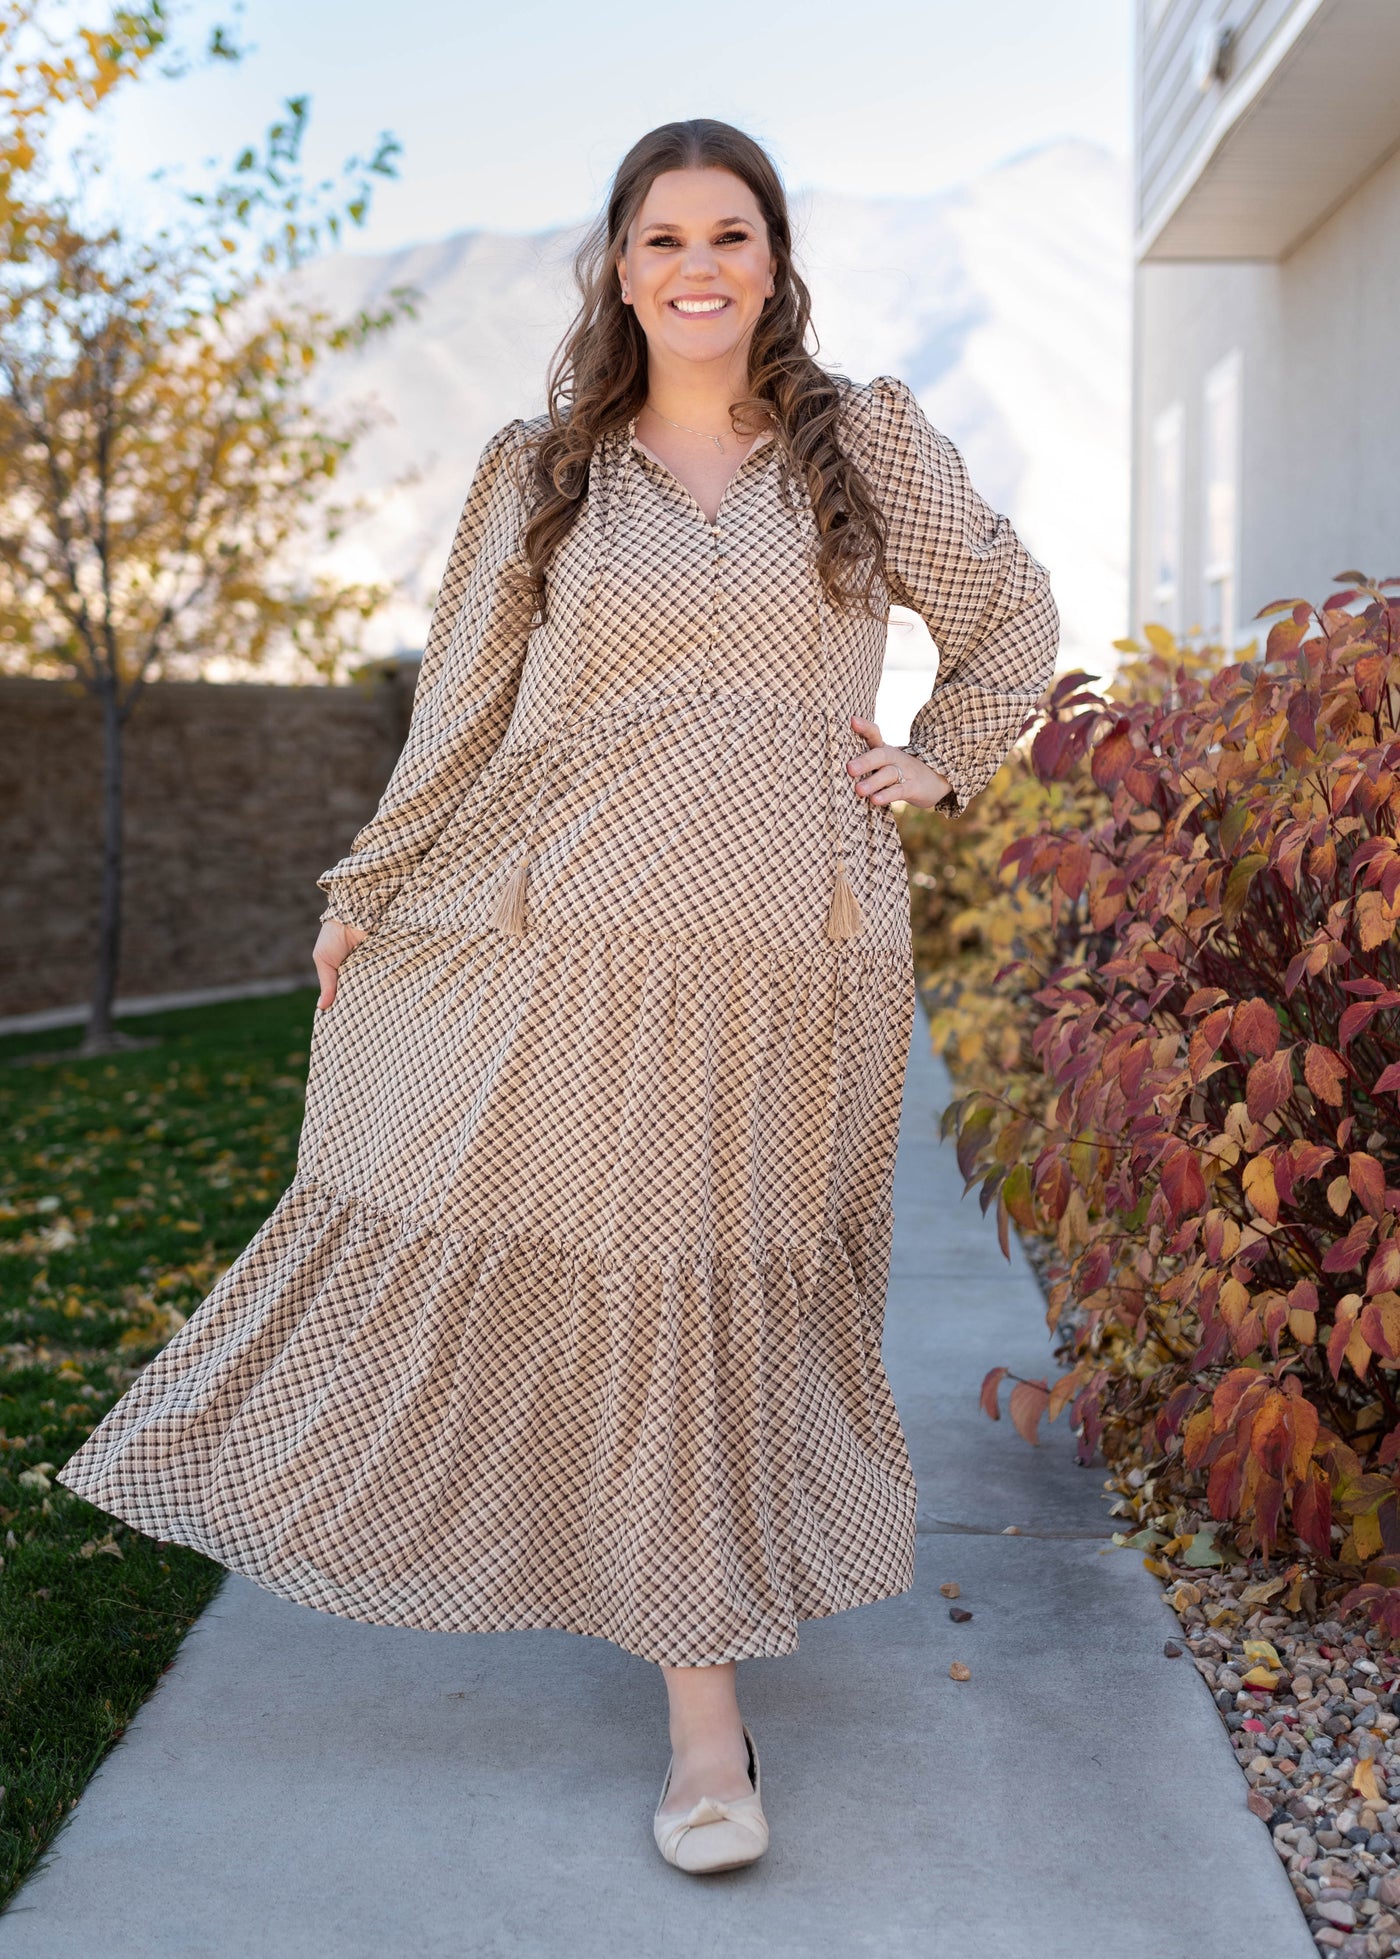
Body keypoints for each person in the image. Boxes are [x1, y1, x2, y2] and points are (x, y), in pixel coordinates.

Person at [57, 116, 1061, 1876]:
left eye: (730, 233)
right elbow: (460, 704)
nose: (698, 266)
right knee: (623, 1274)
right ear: (618, 263)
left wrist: (939, 757)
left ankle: (696, 1650)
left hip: (794, 944)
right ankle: (699, 1711)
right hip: (577, 931)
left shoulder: (862, 442)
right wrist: (369, 890)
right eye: (664, 237)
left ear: (774, 257)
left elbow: (1011, 611)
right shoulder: (544, 471)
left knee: (721, 1288)